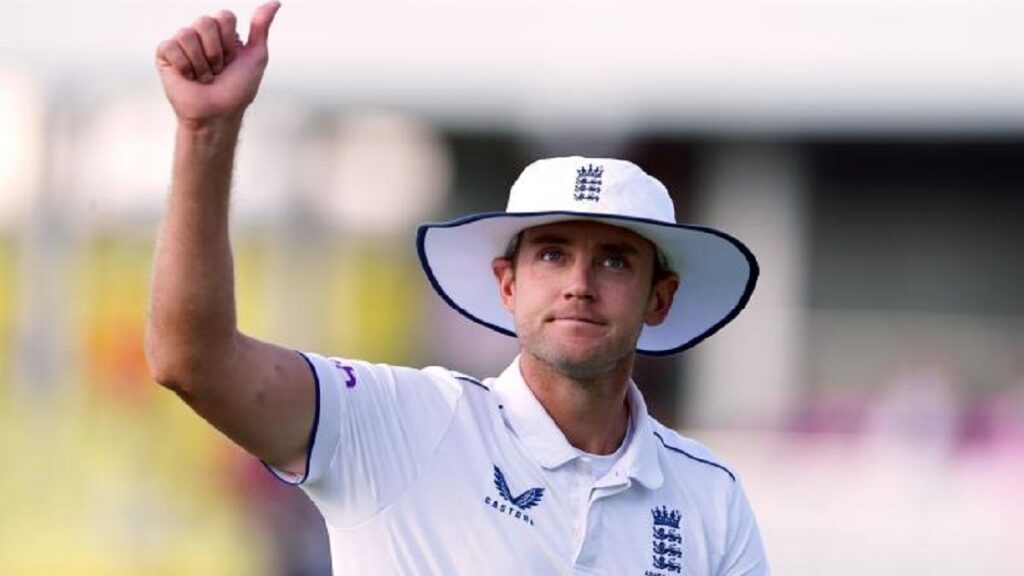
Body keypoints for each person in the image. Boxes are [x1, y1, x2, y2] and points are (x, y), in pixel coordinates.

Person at [147, 2, 770, 575]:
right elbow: (192, 363)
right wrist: (204, 133)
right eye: (553, 254)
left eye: (614, 261)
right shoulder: (396, 420)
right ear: (508, 283)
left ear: (659, 298)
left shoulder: (710, 496)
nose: (578, 285)